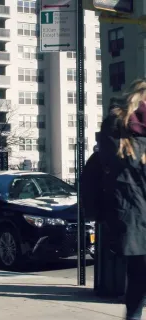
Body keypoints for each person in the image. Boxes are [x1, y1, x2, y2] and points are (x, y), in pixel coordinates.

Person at [99, 79, 146, 320]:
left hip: (133, 212)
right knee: (139, 273)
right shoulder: (117, 129)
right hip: (133, 213)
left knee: (139, 274)